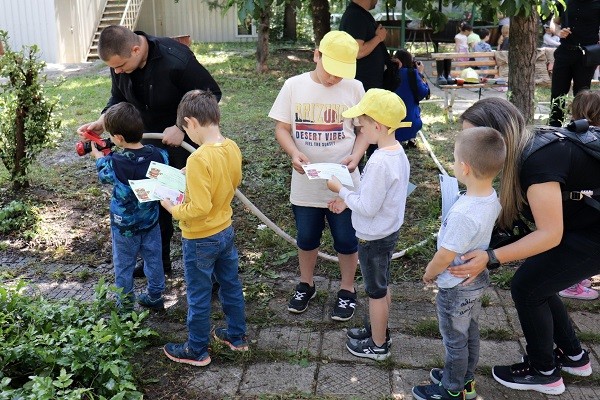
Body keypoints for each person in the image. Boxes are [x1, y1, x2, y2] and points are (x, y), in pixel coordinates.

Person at [448, 97, 600, 395]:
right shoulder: (530, 145)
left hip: (593, 233)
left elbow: (550, 234)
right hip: (585, 225)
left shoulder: (537, 160)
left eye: (472, 138)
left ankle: (543, 372)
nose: (468, 147)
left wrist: (491, 257)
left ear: (497, 135)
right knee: (541, 281)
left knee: (528, 288)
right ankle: (573, 356)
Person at [77, 25, 222, 277]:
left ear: (135, 49)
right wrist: (103, 120)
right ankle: (158, 264)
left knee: (193, 204)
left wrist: (180, 126)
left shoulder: (176, 59)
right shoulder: (120, 64)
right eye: (114, 68)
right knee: (157, 202)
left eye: (120, 65)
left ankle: (208, 273)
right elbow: (117, 97)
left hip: (184, 143)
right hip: (148, 144)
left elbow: (211, 94)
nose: (117, 71)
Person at [268, 31, 368, 321]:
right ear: (316, 55)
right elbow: (282, 128)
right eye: (330, 71)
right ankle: (306, 283)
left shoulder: (354, 87)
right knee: (307, 237)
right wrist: (293, 153)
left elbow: (363, 131)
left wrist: (357, 155)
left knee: (347, 240)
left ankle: (347, 289)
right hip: (306, 181)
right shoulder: (293, 86)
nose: (333, 79)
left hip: (344, 182)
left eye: (340, 74)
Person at [412, 127, 506, 400]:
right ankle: (465, 379)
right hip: (474, 281)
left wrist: (430, 273)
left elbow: (444, 255)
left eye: (453, 159)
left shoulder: (464, 214)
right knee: (470, 332)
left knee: (454, 340)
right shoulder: (490, 197)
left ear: (464, 168)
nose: (452, 163)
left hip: (455, 286)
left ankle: (451, 390)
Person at [161, 89, 247, 367]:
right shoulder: (231, 146)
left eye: (186, 130)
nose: (188, 136)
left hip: (199, 239)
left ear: (191, 122)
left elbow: (199, 209)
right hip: (225, 231)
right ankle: (237, 337)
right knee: (231, 285)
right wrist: (190, 173)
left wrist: (172, 208)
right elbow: (232, 180)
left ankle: (196, 349)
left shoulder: (198, 158)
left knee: (198, 295)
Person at [326, 88, 411, 360]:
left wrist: (340, 190)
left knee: (376, 292)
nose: (360, 128)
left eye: (362, 124)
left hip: (373, 237)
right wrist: (349, 201)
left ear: (378, 125)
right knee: (382, 284)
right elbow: (377, 198)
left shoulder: (378, 162)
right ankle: (379, 330)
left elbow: (368, 207)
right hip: (388, 231)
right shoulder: (397, 153)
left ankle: (378, 346)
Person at [89, 102, 168, 312]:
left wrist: (99, 156)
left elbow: (104, 175)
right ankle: (155, 295)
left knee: (124, 265)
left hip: (124, 227)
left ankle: (124, 305)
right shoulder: (159, 155)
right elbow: (164, 170)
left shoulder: (114, 162)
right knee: (154, 259)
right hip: (151, 222)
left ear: (119, 138)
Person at [558, 90, 600, 300]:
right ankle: (569, 284)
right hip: (580, 207)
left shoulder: (568, 139)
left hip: (571, 206)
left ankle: (576, 276)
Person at [340, 0, 390, 160]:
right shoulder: (355, 16)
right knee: (365, 129)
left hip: (370, 85)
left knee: (372, 128)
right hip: (363, 86)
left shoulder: (360, 15)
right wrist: (378, 38)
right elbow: (356, 51)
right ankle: (360, 164)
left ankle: (369, 163)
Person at [548, 0, 600, 127]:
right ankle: (554, 127)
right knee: (557, 93)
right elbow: (554, 22)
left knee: (582, 94)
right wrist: (558, 32)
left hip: (586, 55)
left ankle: (579, 127)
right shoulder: (564, 1)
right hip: (564, 52)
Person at [392, 49, 430, 147]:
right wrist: (420, 73)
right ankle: (412, 139)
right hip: (411, 124)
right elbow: (423, 92)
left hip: (390, 125)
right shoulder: (412, 73)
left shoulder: (389, 73)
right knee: (415, 109)